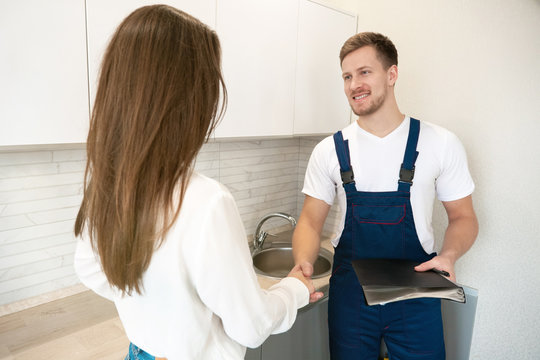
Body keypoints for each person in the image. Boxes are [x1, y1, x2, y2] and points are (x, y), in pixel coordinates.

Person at [73, 5, 320, 360]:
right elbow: (252, 326)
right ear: (190, 98)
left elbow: (89, 268)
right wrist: (294, 289)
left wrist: (157, 307)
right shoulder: (207, 202)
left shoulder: (107, 185)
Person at [292, 32, 479, 359]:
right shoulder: (329, 151)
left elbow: (464, 217)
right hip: (351, 298)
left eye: (364, 72)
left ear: (392, 74)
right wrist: (302, 264)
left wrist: (449, 255)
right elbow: (309, 220)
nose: (354, 85)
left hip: (418, 295)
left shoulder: (440, 143)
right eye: (347, 77)